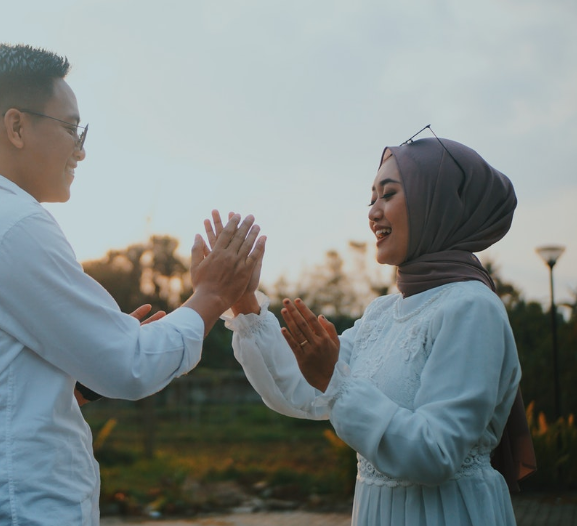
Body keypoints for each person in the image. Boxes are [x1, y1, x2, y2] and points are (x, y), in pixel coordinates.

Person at [0, 43, 266, 525]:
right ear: (16, 126)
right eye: (71, 127)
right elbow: (129, 365)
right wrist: (211, 295)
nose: (81, 149)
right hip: (11, 510)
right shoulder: (12, 225)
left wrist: (77, 379)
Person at [214, 127, 534, 525]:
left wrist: (336, 380)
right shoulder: (383, 313)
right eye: (371, 198)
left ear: (436, 202)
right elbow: (301, 391)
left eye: (389, 193)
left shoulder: (471, 307)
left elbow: (435, 453)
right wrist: (243, 299)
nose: (372, 212)